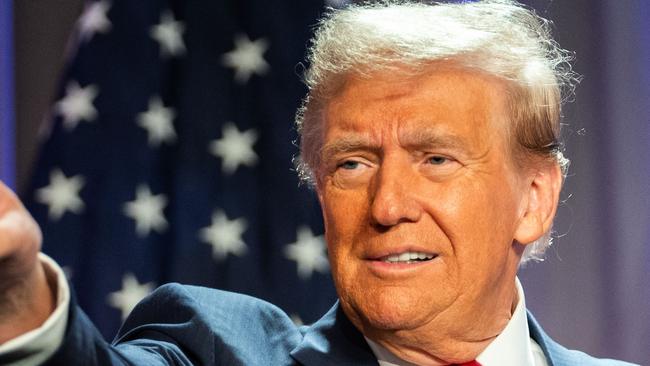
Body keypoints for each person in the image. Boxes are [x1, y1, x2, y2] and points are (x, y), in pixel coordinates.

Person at [0, 1, 638, 365]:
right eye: (352, 164)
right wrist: (17, 296)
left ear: (534, 200)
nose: (386, 206)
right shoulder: (218, 351)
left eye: (436, 159)